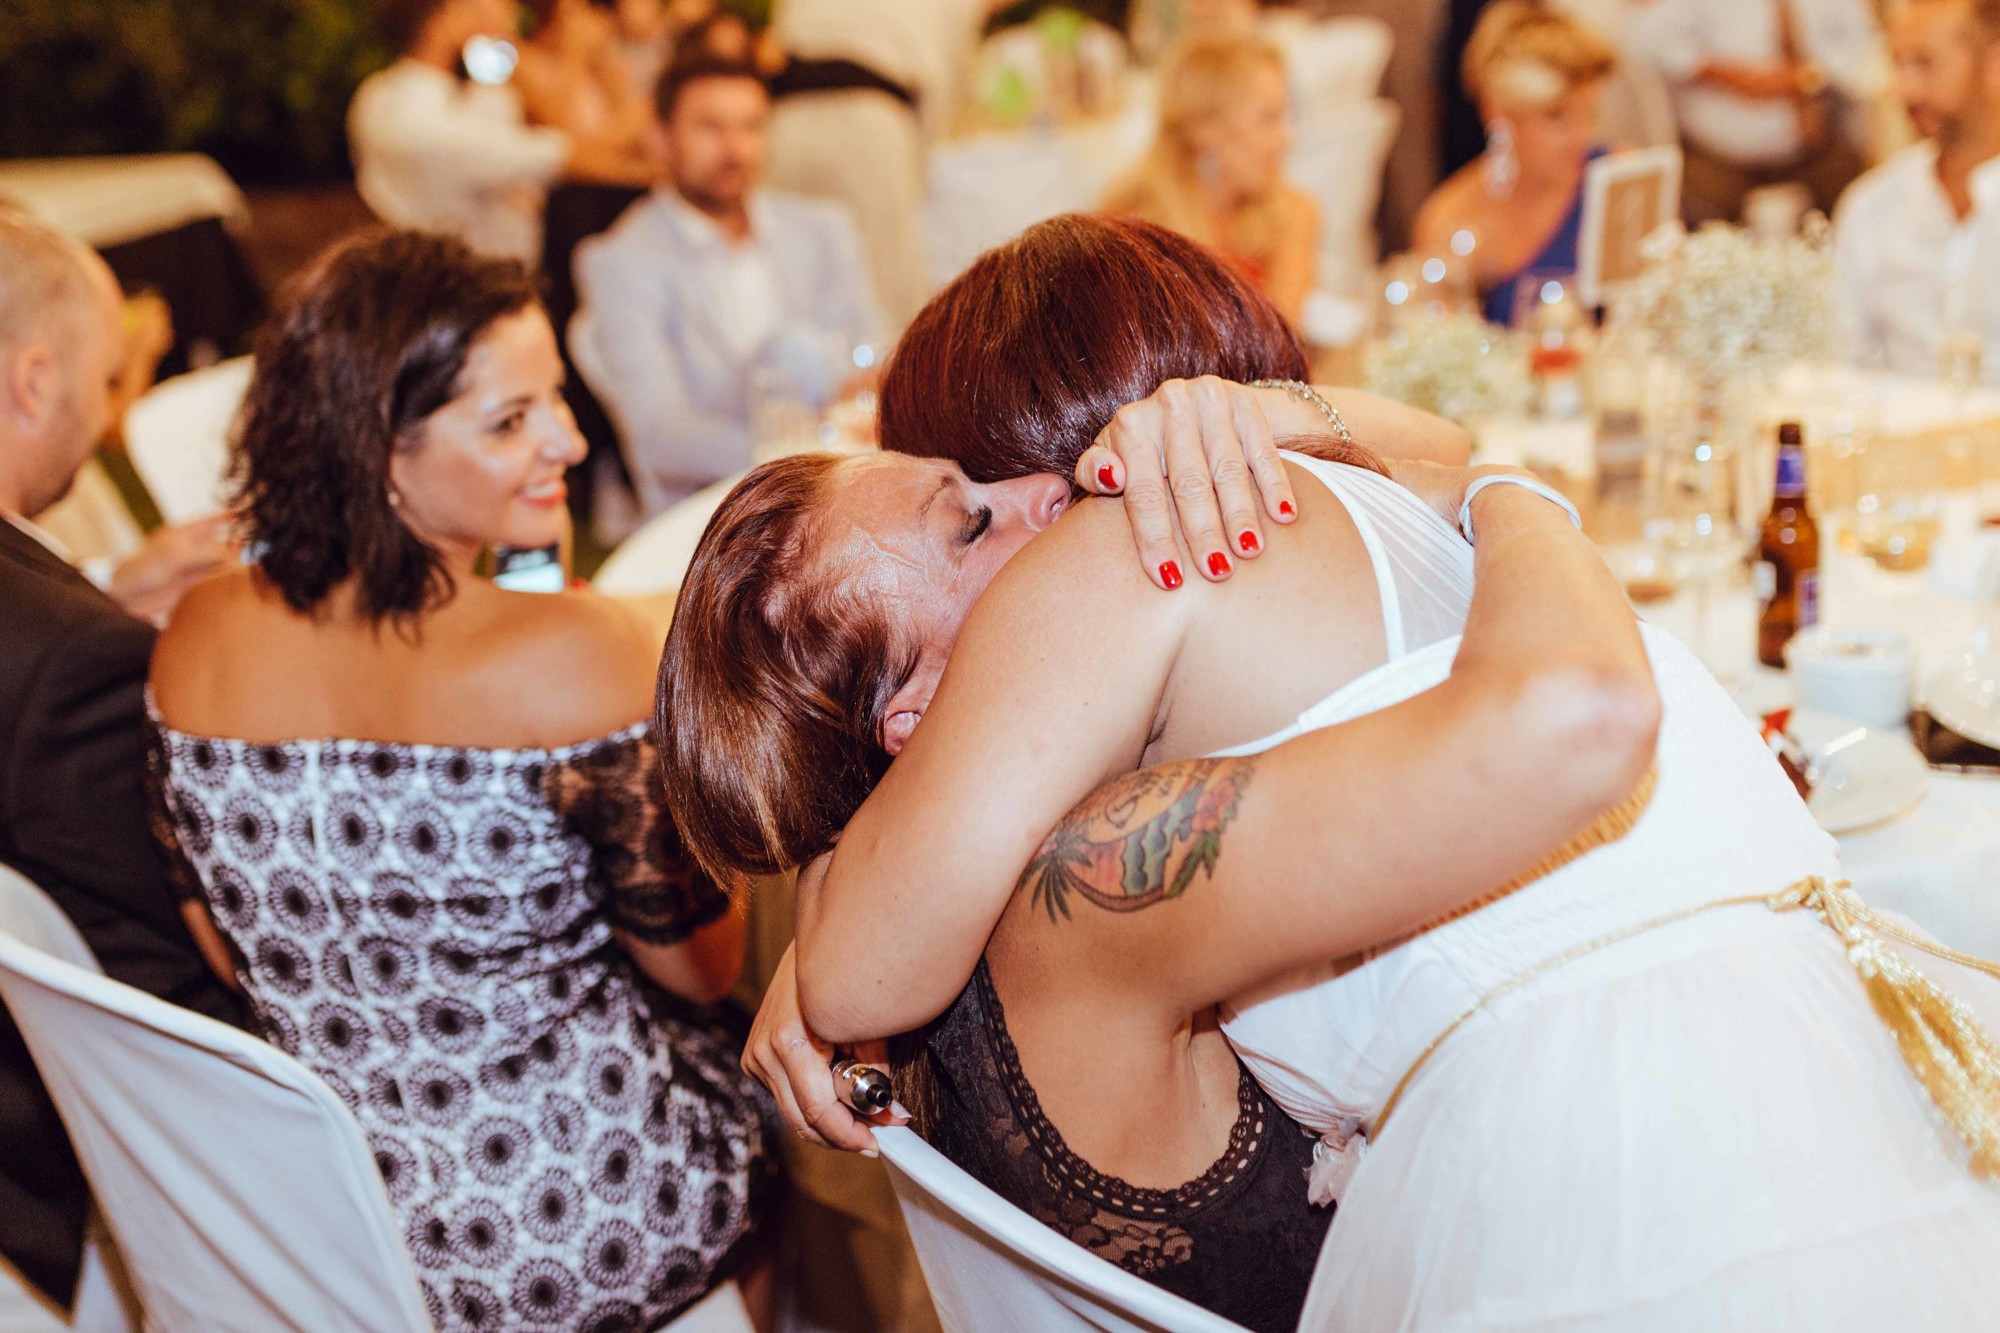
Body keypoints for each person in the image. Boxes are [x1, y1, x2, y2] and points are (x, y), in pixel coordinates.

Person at [669, 214, 2000, 1329]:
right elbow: (1446, 466)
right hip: (1753, 1116)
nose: (1048, 504)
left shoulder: (1123, 555)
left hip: (1620, 1165)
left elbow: (874, 960)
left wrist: (833, 896)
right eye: (971, 512)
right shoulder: (1161, 558)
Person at [146, 230, 774, 1332]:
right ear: (379, 451)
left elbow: (221, 940)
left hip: (323, 1225)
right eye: (510, 421)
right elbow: (699, 967)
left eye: (555, 401)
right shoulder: (577, 657)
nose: (568, 441)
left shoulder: (195, 635)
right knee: (775, 1088)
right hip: (581, 1220)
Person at [0, 214, 245, 1310]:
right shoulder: (78, 668)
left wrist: (99, 585)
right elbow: (192, 970)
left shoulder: (63, 634)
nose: (108, 420)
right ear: (33, 380)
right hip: (87, 1188)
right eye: (106, 381)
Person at [571, 55, 885, 517]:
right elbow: (662, 435)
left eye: (751, 127)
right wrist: (807, 453)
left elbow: (874, 350)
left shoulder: (822, 228)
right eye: (710, 128)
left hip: (854, 476)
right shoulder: (621, 260)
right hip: (725, 509)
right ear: (660, 138)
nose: (734, 148)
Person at [765, 0, 1014, 326]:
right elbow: (943, 88)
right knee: (887, 285)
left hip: (784, 120)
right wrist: (917, 162)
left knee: (788, 264)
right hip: (869, 119)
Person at [351, 0, 651, 265]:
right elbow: (569, 155)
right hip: (479, 287)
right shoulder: (442, 124)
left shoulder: (375, 96)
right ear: (442, 19)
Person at [1411, 0, 1615, 326]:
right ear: (1499, 113)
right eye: (1556, 117)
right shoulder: (1449, 216)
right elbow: (1439, 344)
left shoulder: (1621, 181)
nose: (1580, 136)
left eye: (1588, 113)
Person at [1103, 31, 1320, 326]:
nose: (1286, 138)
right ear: (1204, 129)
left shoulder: (1292, 214)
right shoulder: (1127, 230)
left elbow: (1280, 341)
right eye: (1268, 118)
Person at [1833, 0, 2000, 384]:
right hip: (1895, 433)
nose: (1903, 89)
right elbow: (1839, 360)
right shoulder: (1872, 204)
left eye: (1925, 63)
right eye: (1897, 64)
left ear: (1994, 65)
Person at [1628, 0, 1884, 222]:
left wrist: (1805, 76)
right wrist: (1718, 72)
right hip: (1719, 155)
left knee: (1854, 206)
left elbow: (1865, 50)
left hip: (1813, 147)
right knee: (1703, 232)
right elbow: (1647, 41)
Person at [516, 0, 654, 157]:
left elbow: (632, 113)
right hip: (572, 170)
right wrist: (575, 55)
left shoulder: (596, 54)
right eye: (575, 12)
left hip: (606, 159)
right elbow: (557, 130)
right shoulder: (524, 62)